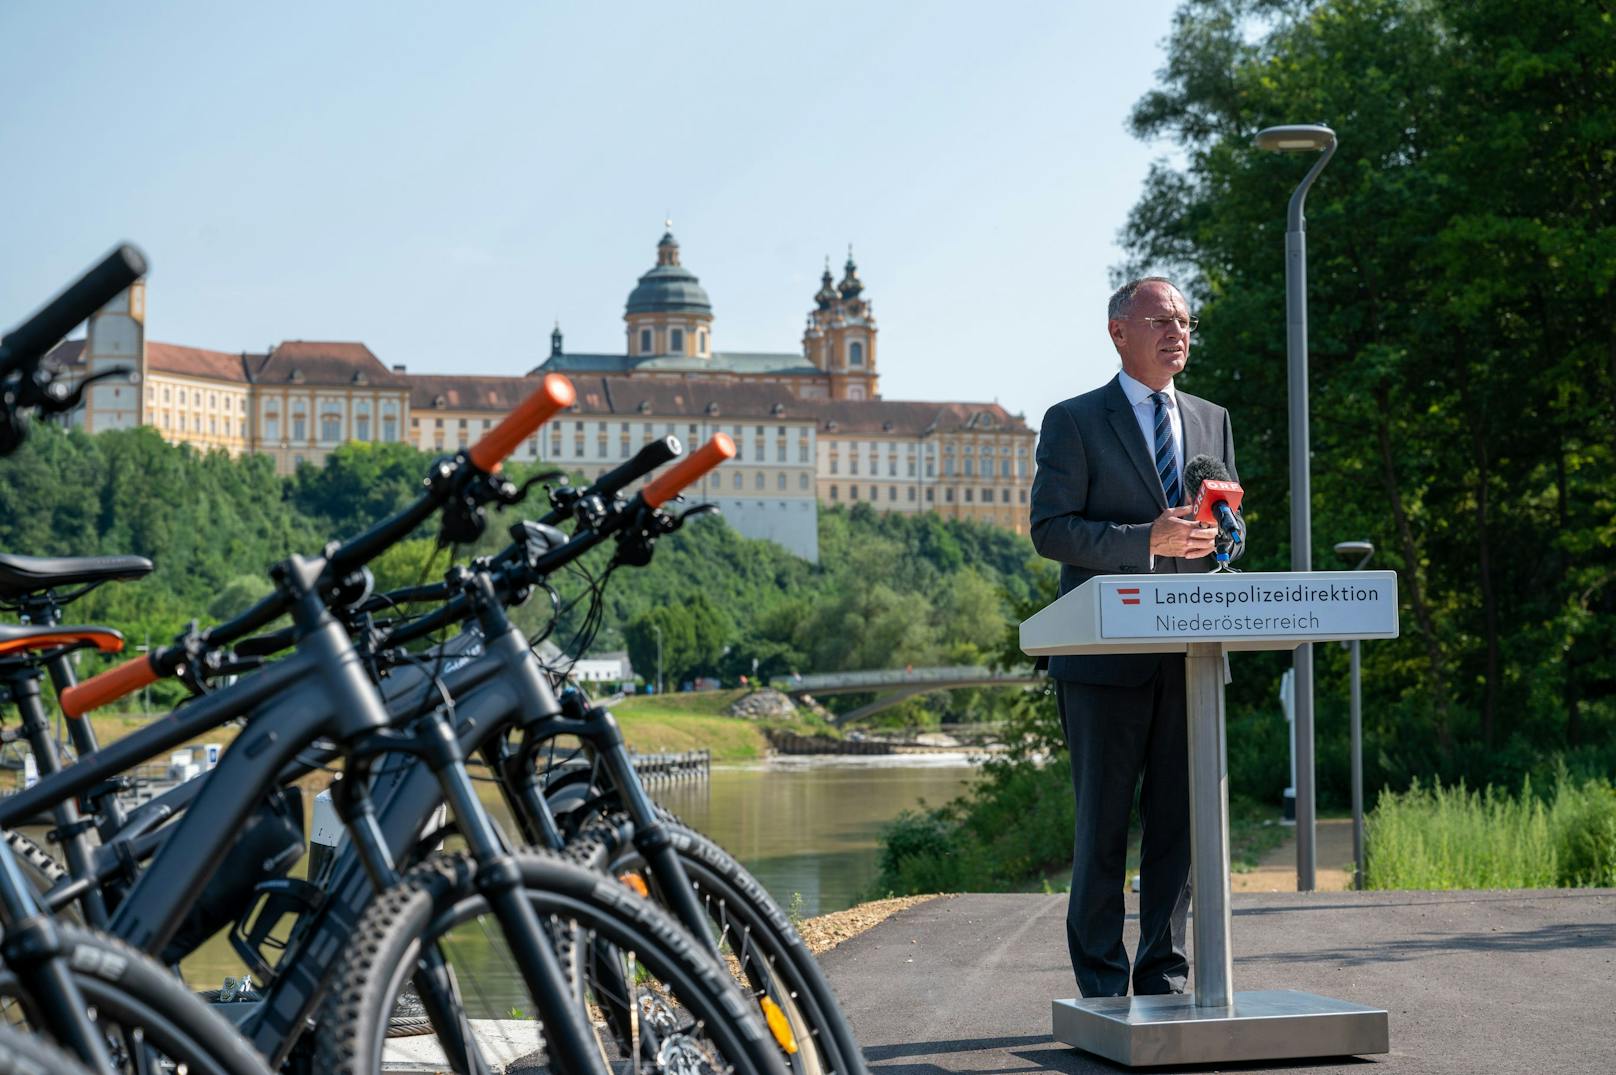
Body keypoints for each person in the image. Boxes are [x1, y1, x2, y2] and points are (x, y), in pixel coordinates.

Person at [1029, 276, 1244, 998]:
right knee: (1102, 831)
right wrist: (1144, 540)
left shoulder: (1213, 420)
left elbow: (1227, 528)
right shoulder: (1074, 420)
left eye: (1183, 320)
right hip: (1102, 661)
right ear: (1119, 331)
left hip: (1192, 658)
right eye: (1160, 319)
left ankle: (1162, 977)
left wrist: (1221, 538)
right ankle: (1099, 985)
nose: (1176, 330)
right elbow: (1051, 530)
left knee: (1177, 832)